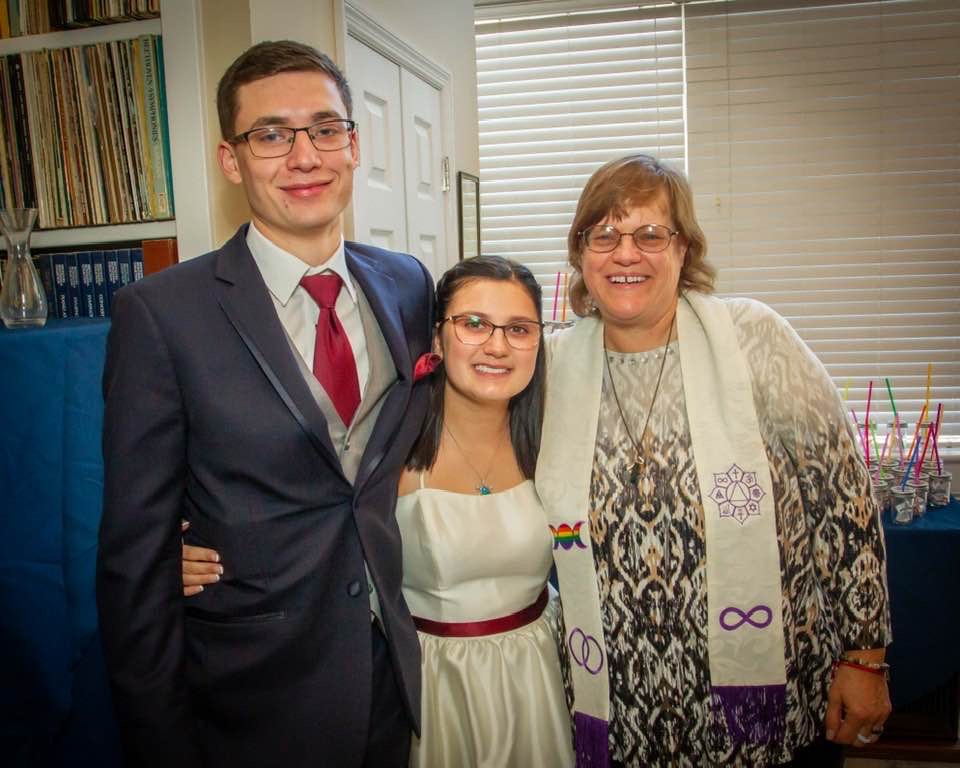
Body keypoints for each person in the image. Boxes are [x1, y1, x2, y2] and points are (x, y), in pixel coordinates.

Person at [96, 41, 434, 768]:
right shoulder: (160, 313)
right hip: (249, 699)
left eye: (325, 129)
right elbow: (133, 562)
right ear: (232, 159)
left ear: (354, 145)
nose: (305, 156)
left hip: (389, 679)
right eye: (272, 135)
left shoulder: (408, 284)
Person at [536, 154, 892, 766]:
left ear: (684, 248)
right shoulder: (548, 367)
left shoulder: (754, 337)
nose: (626, 254)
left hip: (771, 701)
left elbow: (843, 500)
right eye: (605, 235)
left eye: (651, 234)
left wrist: (865, 658)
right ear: (580, 252)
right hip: (620, 713)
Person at [185, 255, 575, 767]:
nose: (497, 346)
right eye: (474, 324)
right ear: (437, 339)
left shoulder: (557, 435)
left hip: (538, 675)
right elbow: (284, 508)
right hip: (430, 686)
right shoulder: (387, 444)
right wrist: (179, 548)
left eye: (519, 329)